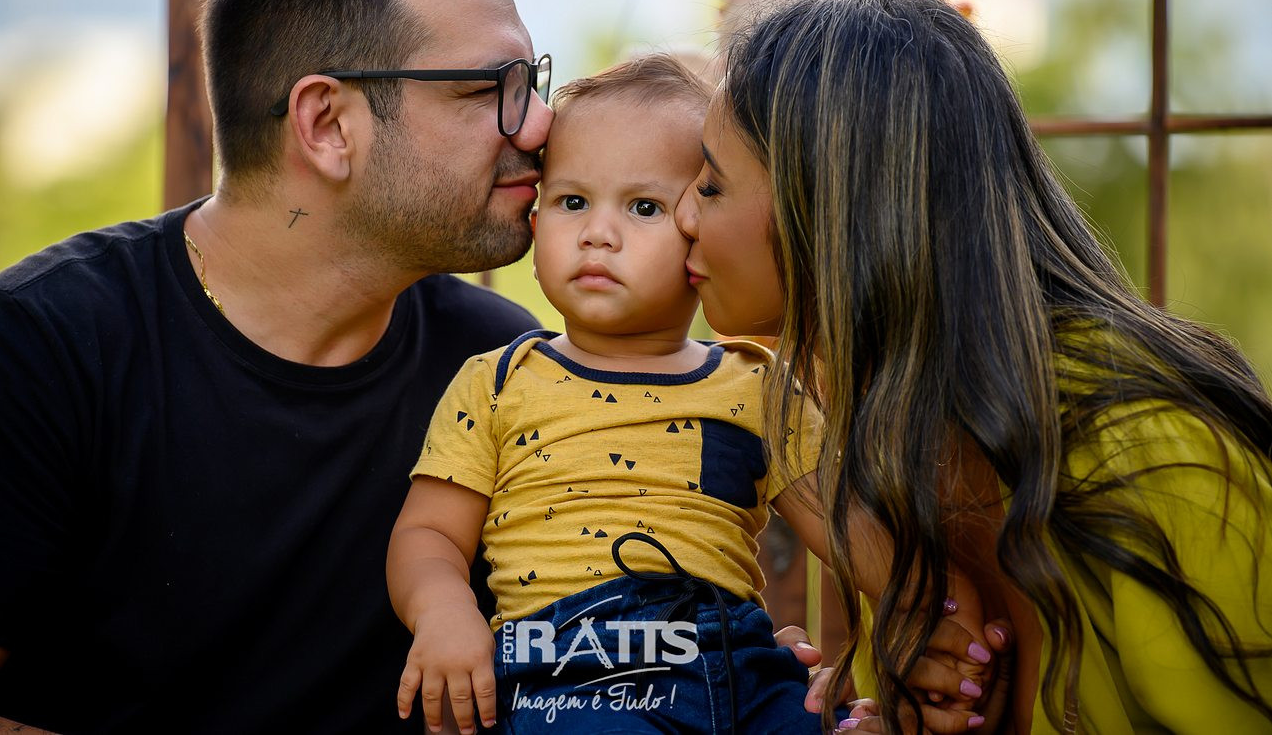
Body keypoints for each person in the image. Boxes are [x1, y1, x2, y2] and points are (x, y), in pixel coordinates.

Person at [0, 0, 552, 733]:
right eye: (490, 88)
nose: (540, 124)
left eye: (532, 83)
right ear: (326, 123)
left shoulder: (502, 368)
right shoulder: (35, 354)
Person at [674, 0, 1272, 732]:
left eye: (710, 184)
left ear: (831, 206)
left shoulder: (1155, 455)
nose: (682, 213)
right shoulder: (885, 445)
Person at [386, 54, 995, 735]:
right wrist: (444, 613)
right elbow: (429, 532)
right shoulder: (497, 380)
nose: (597, 232)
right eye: (572, 201)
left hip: (732, 664)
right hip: (572, 670)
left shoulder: (755, 384)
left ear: (699, 230)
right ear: (536, 218)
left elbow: (851, 528)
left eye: (644, 207)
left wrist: (932, 612)